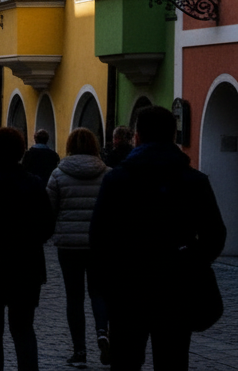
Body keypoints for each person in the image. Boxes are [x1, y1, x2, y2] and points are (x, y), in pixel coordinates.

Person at [90, 107, 227, 371]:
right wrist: (190, 261)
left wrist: (106, 282)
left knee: (126, 361)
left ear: (137, 137)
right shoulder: (193, 181)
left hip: (127, 285)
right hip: (177, 286)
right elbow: (215, 234)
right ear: (173, 136)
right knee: (173, 360)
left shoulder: (118, 180)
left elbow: (99, 237)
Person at [0, 128, 54, 371]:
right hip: (26, 266)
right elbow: (47, 226)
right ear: (20, 152)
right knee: (24, 328)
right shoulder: (34, 184)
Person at [47, 128, 110, 368]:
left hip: (69, 245)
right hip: (99, 244)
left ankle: (80, 351)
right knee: (99, 291)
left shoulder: (58, 174)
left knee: (74, 297)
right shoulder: (107, 174)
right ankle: (103, 331)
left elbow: (50, 209)